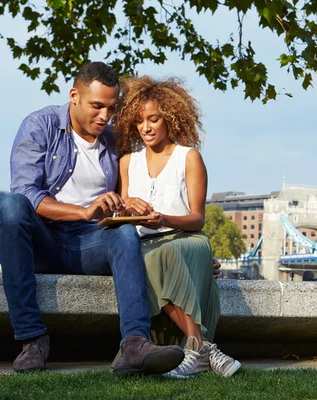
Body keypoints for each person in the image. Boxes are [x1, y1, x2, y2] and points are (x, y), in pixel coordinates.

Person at [0, 62, 184, 374]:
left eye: (111, 108)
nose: (104, 117)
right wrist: (83, 210)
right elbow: (26, 192)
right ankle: (33, 340)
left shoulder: (115, 141)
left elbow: (128, 200)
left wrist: (126, 205)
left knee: (123, 234)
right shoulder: (39, 126)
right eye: (97, 106)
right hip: (42, 241)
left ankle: (134, 345)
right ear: (74, 96)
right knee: (11, 205)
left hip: (89, 242)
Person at [113, 76, 240, 378]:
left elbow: (198, 218)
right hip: (145, 244)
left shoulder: (189, 158)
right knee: (145, 257)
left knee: (162, 255)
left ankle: (195, 349)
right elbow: (119, 217)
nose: (146, 128)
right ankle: (204, 348)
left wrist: (165, 219)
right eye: (140, 121)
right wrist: (128, 205)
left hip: (187, 238)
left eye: (154, 119)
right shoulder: (127, 162)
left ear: (170, 118)